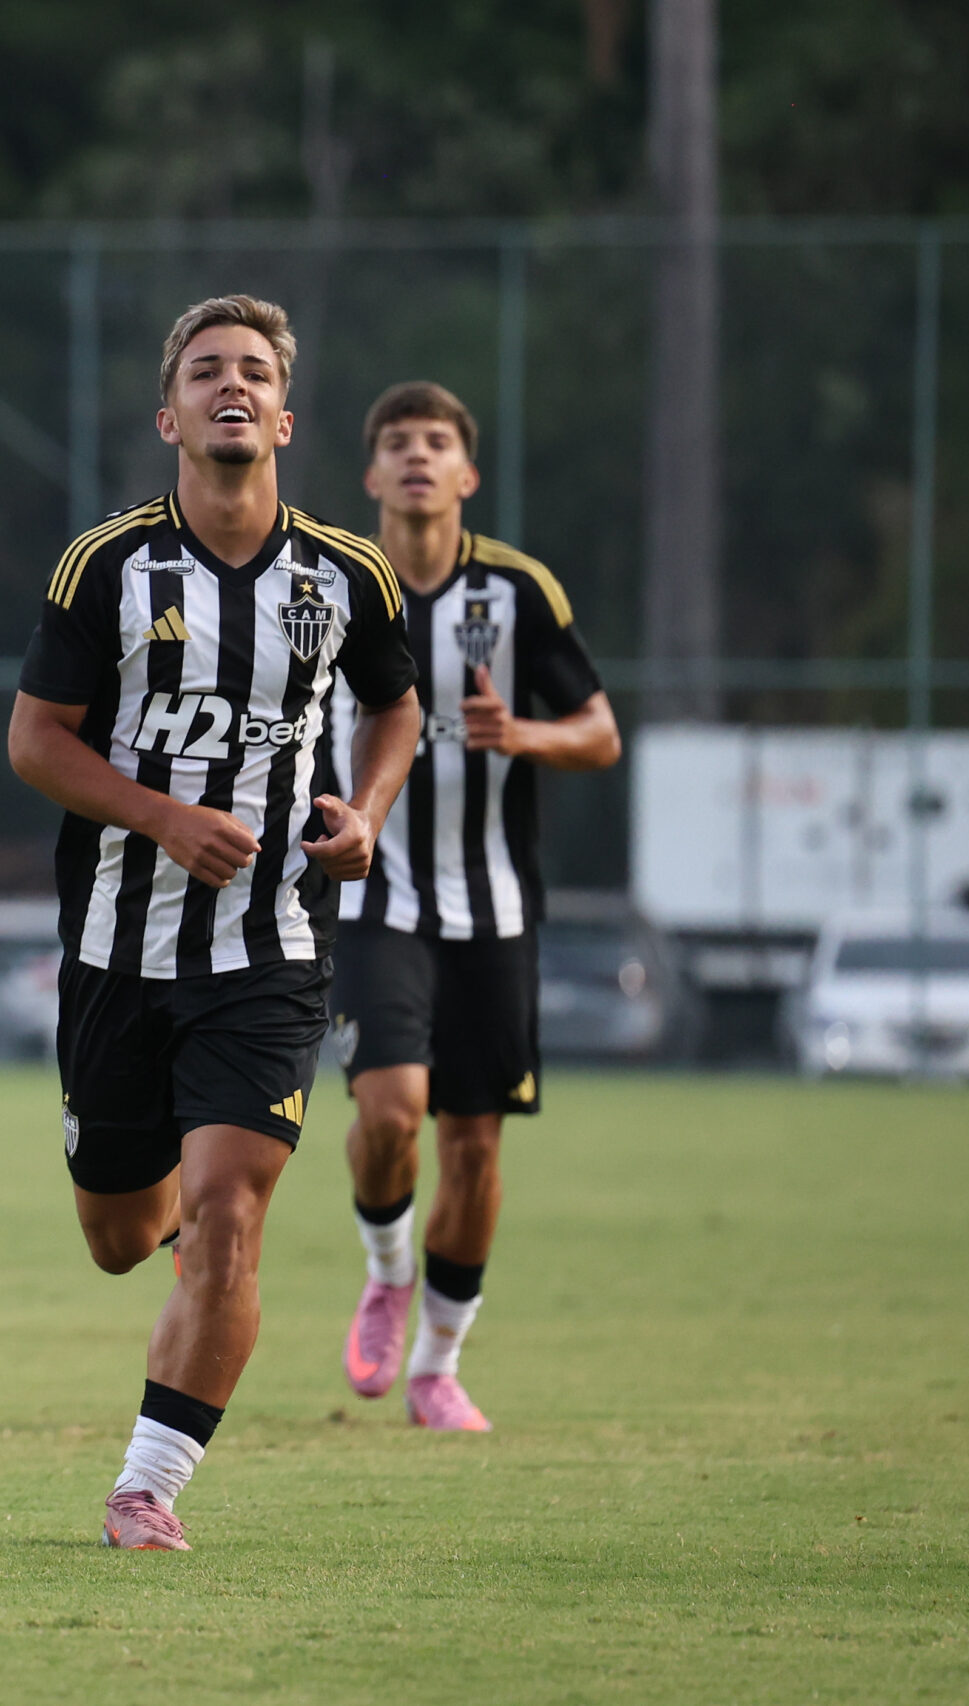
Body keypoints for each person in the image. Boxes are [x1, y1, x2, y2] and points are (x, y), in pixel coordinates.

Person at [8, 294, 419, 1552]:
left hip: (272, 951)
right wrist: (159, 816)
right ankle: (179, 1212)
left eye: (251, 372)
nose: (228, 386)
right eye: (204, 371)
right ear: (168, 412)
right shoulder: (107, 567)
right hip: (117, 953)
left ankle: (146, 1484)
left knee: (229, 1213)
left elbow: (395, 710)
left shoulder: (346, 574)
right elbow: (32, 743)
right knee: (122, 1234)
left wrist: (369, 810)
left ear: (284, 415)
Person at [325, 382, 620, 1431]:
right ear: (370, 475)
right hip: (374, 896)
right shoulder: (329, 580)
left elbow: (599, 731)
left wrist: (524, 737)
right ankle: (386, 1268)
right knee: (388, 1109)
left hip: (494, 907)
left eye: (435, 442)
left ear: (466, 474)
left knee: (476, 1145)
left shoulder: (517, 591)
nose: (416, 456)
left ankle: (438, 1367)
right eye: (395, 442)